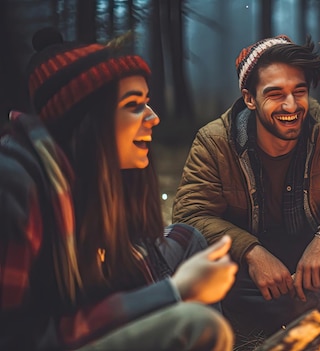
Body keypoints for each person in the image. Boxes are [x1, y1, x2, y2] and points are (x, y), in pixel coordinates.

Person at [0, 28, 237, 350]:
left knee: (187, 239)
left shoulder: (97, 172)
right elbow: (19, 339)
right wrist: (174, 291)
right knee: (198, 326)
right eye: (133, 104)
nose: (153, 118)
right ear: (88, 120)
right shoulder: (14, 185)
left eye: (147, 102)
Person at [172, 35, 320, 341]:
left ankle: (315, 304)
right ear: (249, 98)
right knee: (204, 261)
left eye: (299, 91)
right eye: (275, 94)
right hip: (256, 271)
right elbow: (190, 213)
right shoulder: (215, 140)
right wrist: (251, 251)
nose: (291, 105)